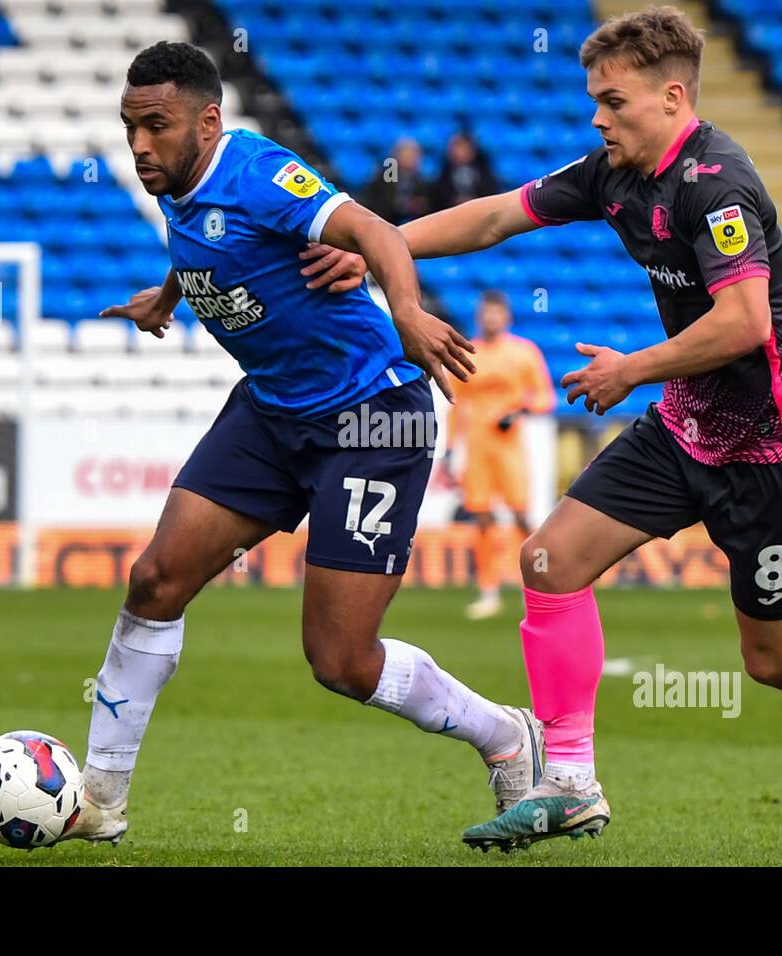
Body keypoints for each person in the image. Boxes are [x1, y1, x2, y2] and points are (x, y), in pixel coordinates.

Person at [299, 6, 782, 852]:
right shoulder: (616, 173)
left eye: (612, 102)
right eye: (594, 103)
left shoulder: (717, 184)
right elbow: (498, 214)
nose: (597, 118)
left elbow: (747, 322)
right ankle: (569, 782)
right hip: (685, 429)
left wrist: (631, 368)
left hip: (776, 454)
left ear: (672, 97)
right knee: (549, 559)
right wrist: (381, 248)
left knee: (778, 663)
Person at [65, 41, 544, 844]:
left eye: (156, 126)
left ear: (208, 121)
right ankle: (100, 800)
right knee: (154, 580)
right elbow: (213, 242)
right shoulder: (175, 181)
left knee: (341, 660)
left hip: (370, 417)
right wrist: (169, 295)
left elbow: (374, 234)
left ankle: (505, 734)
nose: (139, 145)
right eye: (129, 127)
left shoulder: (258, 170)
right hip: (272, 410)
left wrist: (411, 316)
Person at [447, 291, 554, 620]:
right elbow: (456, 403)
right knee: (481, 518)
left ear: (506, 317)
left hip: (509, 448)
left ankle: (541, 586)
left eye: (497, 313)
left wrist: (520, 410)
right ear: (480, 317)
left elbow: (545, 398)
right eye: (486, 313)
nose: (491, 318)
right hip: (478, 446)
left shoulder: (524, 353)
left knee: (521, 517)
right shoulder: (469, 353)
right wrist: (451, 447)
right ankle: (488, 590)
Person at [359, 136, 433, 224]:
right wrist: (403, 206)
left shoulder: (420, 179)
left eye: (417, 155)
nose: (415, 159)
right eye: (409, 155)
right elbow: (382, 204)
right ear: (398, 155)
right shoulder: (387, 175)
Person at [431, 130, 498, 210]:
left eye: (463, 148)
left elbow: (490, 195)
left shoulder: (484, 172)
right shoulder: (444, 174)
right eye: (454, 148)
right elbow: (438, 198)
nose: (458, 153)